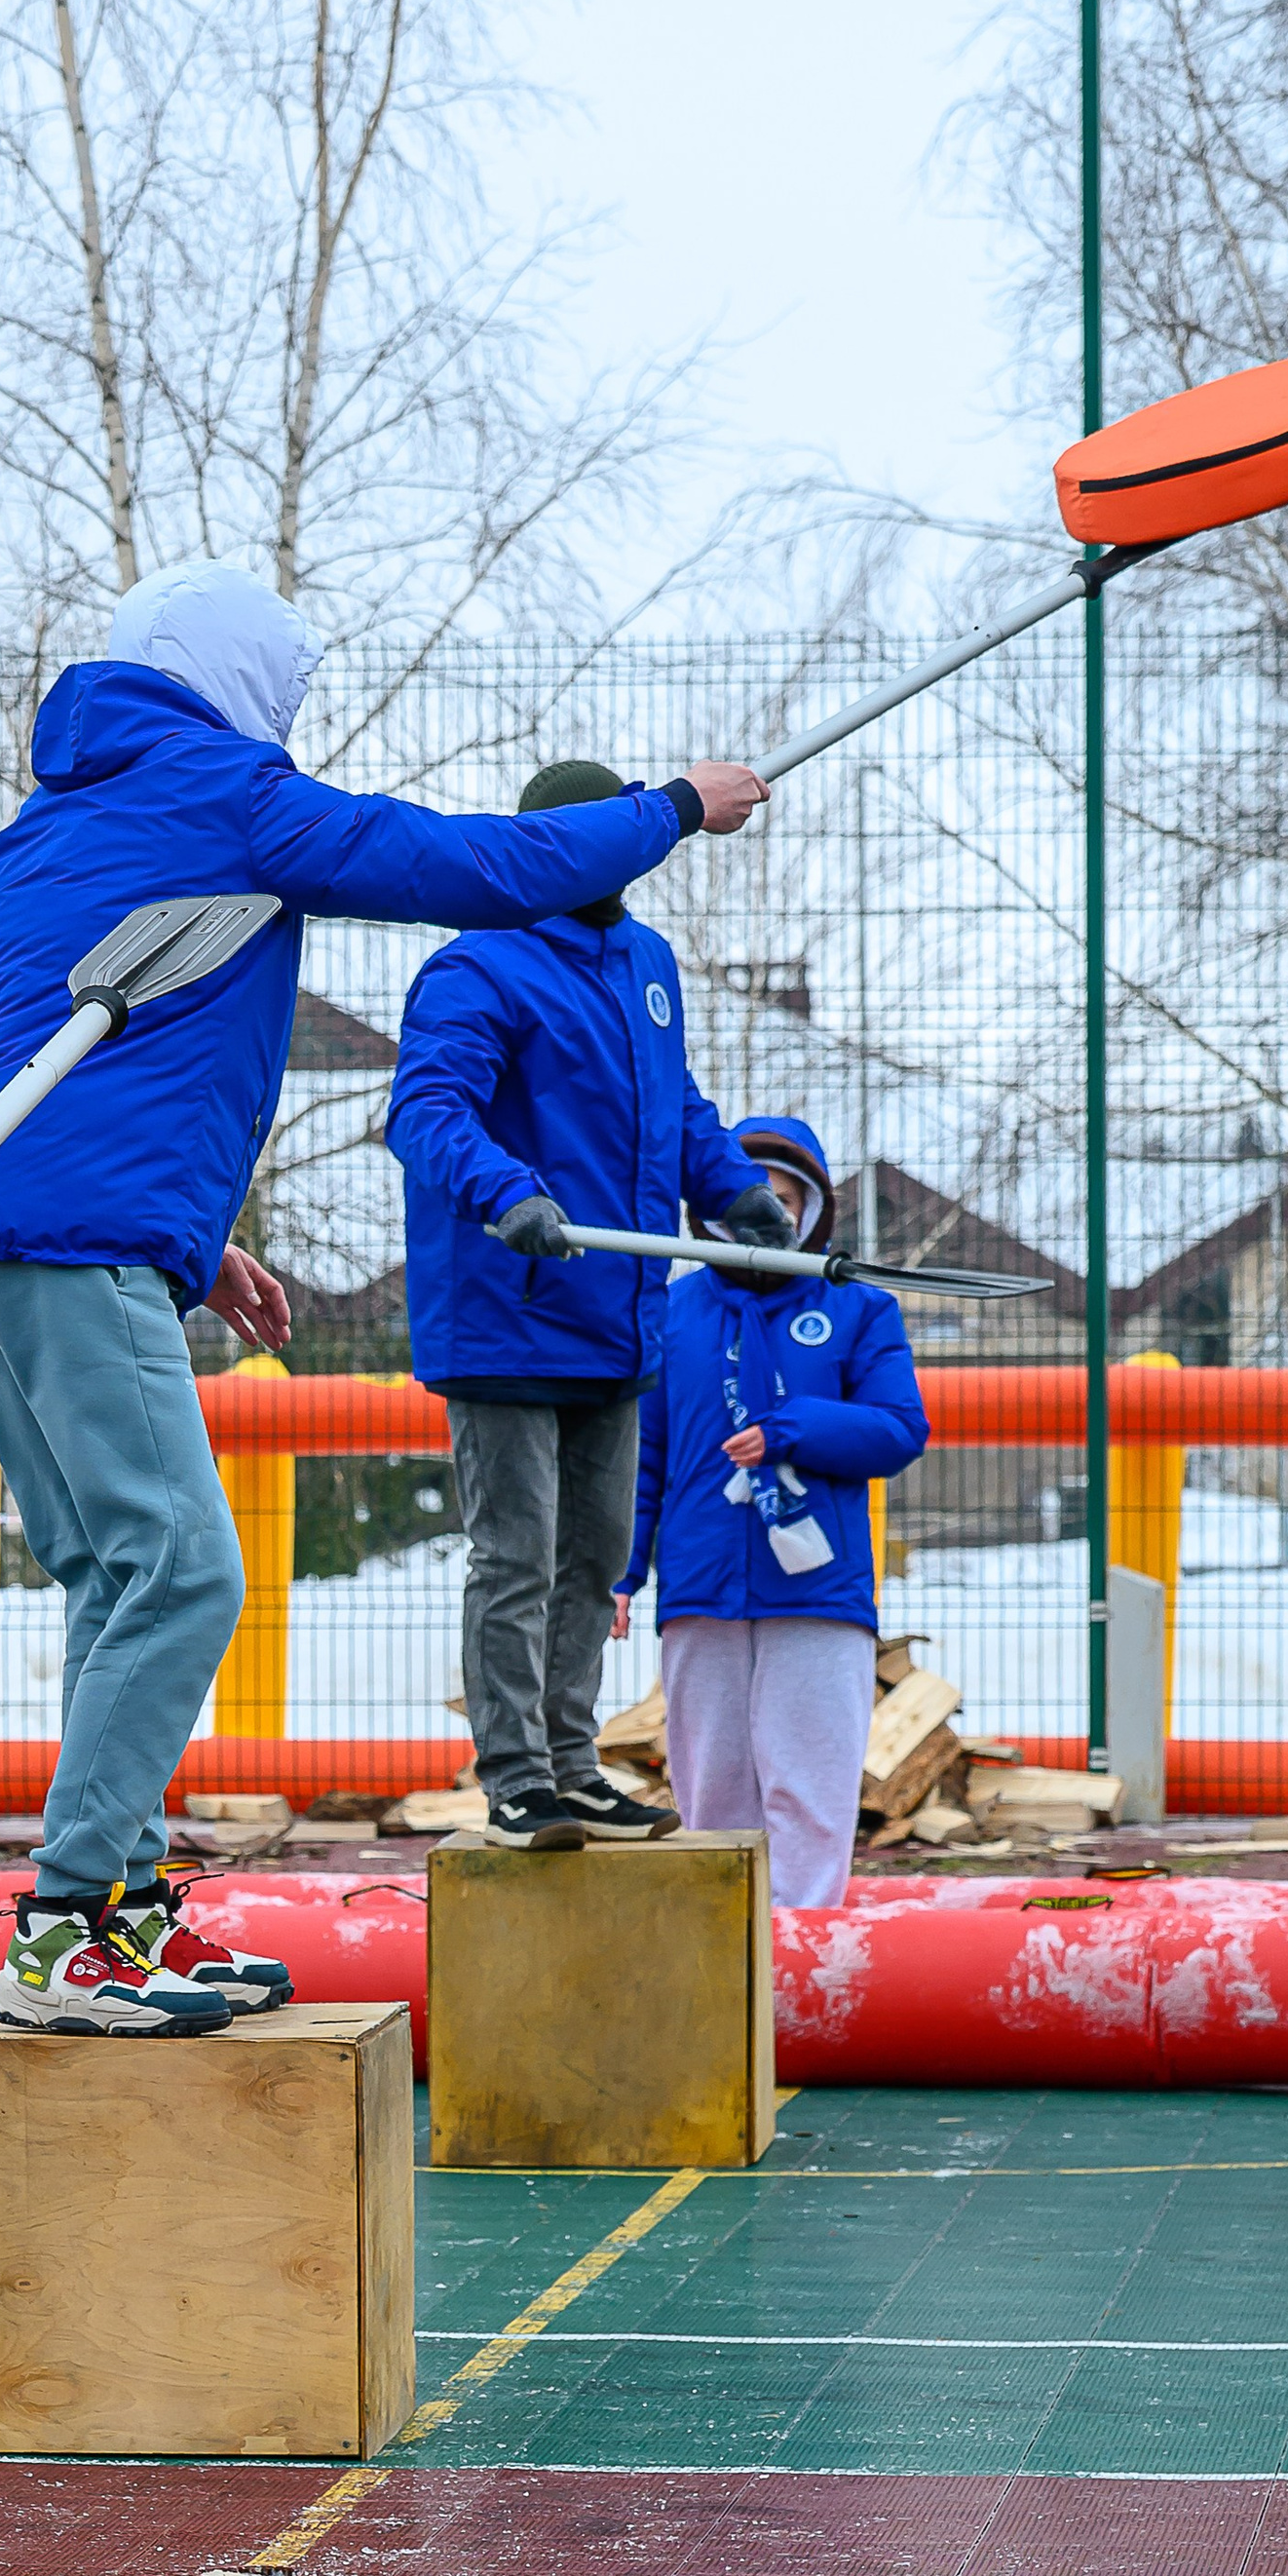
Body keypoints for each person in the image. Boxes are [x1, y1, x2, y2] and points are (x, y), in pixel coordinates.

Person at [0, 561, 770, 2032]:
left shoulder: (62, 812)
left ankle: (117, 1916)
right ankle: (66, 1931)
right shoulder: (220, 788)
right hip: (70, 1241)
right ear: (234, 675)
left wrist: (196, 1245)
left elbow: (69, 1048)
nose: (294, 720)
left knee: (114, 1575)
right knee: (186, 1573)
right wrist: (672, 807)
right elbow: (466, 868)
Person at [385, 759, 801, 1849]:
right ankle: (514, 1776)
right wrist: (507, 1192)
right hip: (507, 1310)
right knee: (515, 1555)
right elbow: (426, 1113)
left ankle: (573, 1765)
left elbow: (672, 1105)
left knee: (596, 1559)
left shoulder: (644, 962)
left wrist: (730, 1188)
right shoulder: (478, 967)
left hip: (618, 1320)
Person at [610, 1114, 929, 1908]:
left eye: (787, 1200)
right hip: (700, 1591)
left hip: (819, 1597)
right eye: (753, 1198)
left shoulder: (860, 1309)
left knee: (810, 1794)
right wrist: (621, 1569)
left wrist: (793, 1428)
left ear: (816, 1208)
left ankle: (805, 1969)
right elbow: (641, 1458)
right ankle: (722, 1970)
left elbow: (899, 1429)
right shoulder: (670, 1310)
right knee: (712, 1795)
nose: (771, 1216)